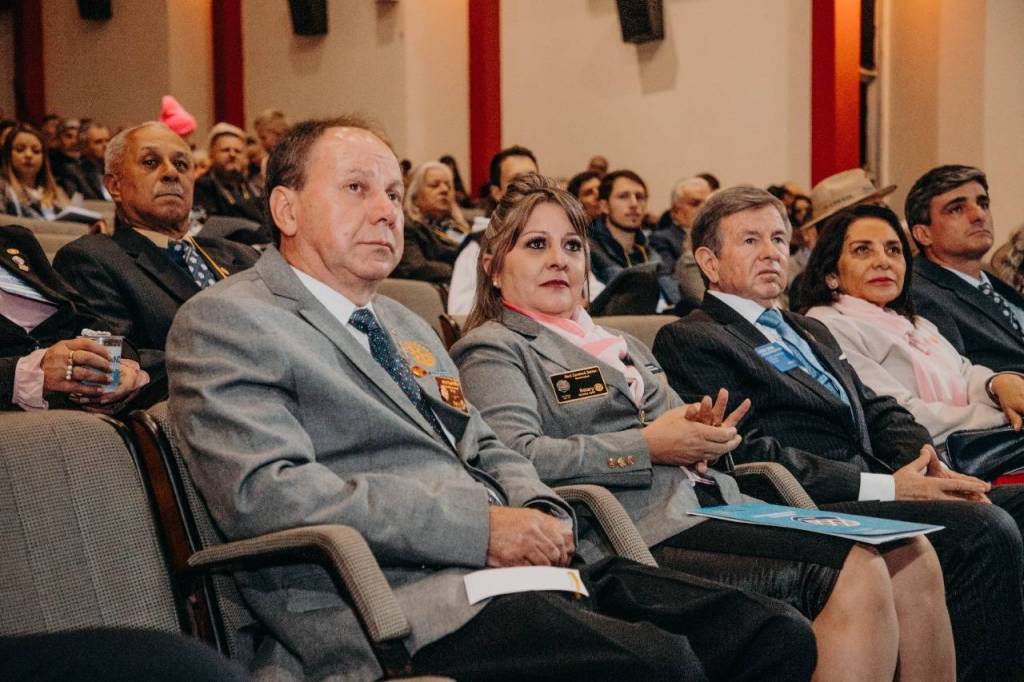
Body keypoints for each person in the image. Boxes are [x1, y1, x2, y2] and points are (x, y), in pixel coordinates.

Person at [167, 116, 817, 682]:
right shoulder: (230, 320)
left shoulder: (403, 324)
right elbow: (268, 494)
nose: (387, 211)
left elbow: (481, 443)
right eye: (357, 189)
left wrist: (537, 511)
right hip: (388, 596)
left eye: (393, 193)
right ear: (286, 210)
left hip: (516, 569)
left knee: (769, 634)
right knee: (658, 664)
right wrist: (480, 529)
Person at [451, 173, 955, 680]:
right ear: (493, 267)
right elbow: (517, 457)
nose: (559, 260)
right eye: (536, 245)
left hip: (714, 500)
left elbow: (677, 425)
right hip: (631, 528)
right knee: (858, 569)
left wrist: (706, 434)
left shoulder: (621, 344)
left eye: (572, 246)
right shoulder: (495, 347)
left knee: (911, 555)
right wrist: (647, 446)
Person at [652, 184, 1024, 681]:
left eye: (779, 239)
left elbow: (879, 408)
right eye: (750, 241)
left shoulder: (808, 329)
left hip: (876, 483)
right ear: (709, 262)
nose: (771, 253)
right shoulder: (692, 337)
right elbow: (747, 451)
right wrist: (889, 487)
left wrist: (926, 465)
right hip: (805, 499)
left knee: (999, 508)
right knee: (984, 529)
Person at [798, 203, 1024, 451]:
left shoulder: (911, 322)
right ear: (831, 274)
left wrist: (996, 384)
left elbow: (964, 372)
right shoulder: (826, 327)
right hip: (924, 461)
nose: (883, 261)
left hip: (981, 445)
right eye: (862, 250)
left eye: (893, 250)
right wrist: (1002, 417)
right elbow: (902, 416)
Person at [52, 122, 257, 379]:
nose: (171, 173)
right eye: (150, 162)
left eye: (181, 165)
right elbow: (113, 365)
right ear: (115, 186)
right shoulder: (90, 259)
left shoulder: (243, 255)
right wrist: (243, 365)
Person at [0, 223, 150, 412]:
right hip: (20, 403)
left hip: (86, 383)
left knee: (175, 374)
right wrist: (28, 374)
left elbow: (84, 315)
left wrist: (124, 363)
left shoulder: (13, 239)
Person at [908, 164, 1024, 372]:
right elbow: (957, 376)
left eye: (983, 204)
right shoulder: (919, 294)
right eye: (957, 209)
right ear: (924, 234)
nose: (979, 215)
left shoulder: (994, 281)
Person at [447, 145, 539, 315]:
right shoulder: (479, 247)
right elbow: (460, 313)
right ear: (497, 193)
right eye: (517, 181)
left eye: (534, 179)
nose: (529, 188)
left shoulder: (559, 239)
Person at [588, 169, 677, 308]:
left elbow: (676, 300)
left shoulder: (650, 252)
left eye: (640, 197)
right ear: (604, 206)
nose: (634, 204)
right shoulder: (588, 251)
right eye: (623, 196)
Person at [392, 161, 467, 283]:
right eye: (434, 185)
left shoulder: (457, 226)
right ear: (414, 195)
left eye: (448, 186)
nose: (444, 190)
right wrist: (465, 271)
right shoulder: (406, 227)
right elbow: (416, 268)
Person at [192, 123, 268, 240]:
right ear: (211, 155)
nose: (232, 154)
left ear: (245, 158)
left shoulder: (252, 187)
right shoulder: (200, 187)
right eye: (225, 150)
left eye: (238, 151)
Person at [650, 176, 712, 309]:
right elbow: (668, 280)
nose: (704, 210)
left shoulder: (717, 237)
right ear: (675, 211)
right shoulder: (662, 239)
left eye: (707, 204)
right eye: (695, 204)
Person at [1, 124, 69, 220]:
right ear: (8, 155)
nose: (29, 155)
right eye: (20, 149)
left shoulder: (57, 191)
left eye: (36, 151)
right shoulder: (3, 188)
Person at [59, 120, 111, 200]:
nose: (105, 146)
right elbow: (75, 205)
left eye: (108, 140)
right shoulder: (73, 172)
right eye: (98, 142)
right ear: (85, 147)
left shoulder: (116, 171)